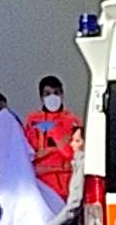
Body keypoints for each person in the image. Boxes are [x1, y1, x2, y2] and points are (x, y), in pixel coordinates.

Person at [25, 75, 79, 203]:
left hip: (67, 185)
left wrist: (54, 131)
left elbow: (72, 153)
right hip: (42, 186)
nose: (52, 97)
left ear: (62, 94)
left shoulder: (72, 121)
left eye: (56, 93)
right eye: (48, 94)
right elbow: (28, 152)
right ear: (41, 97)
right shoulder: (32, 121)